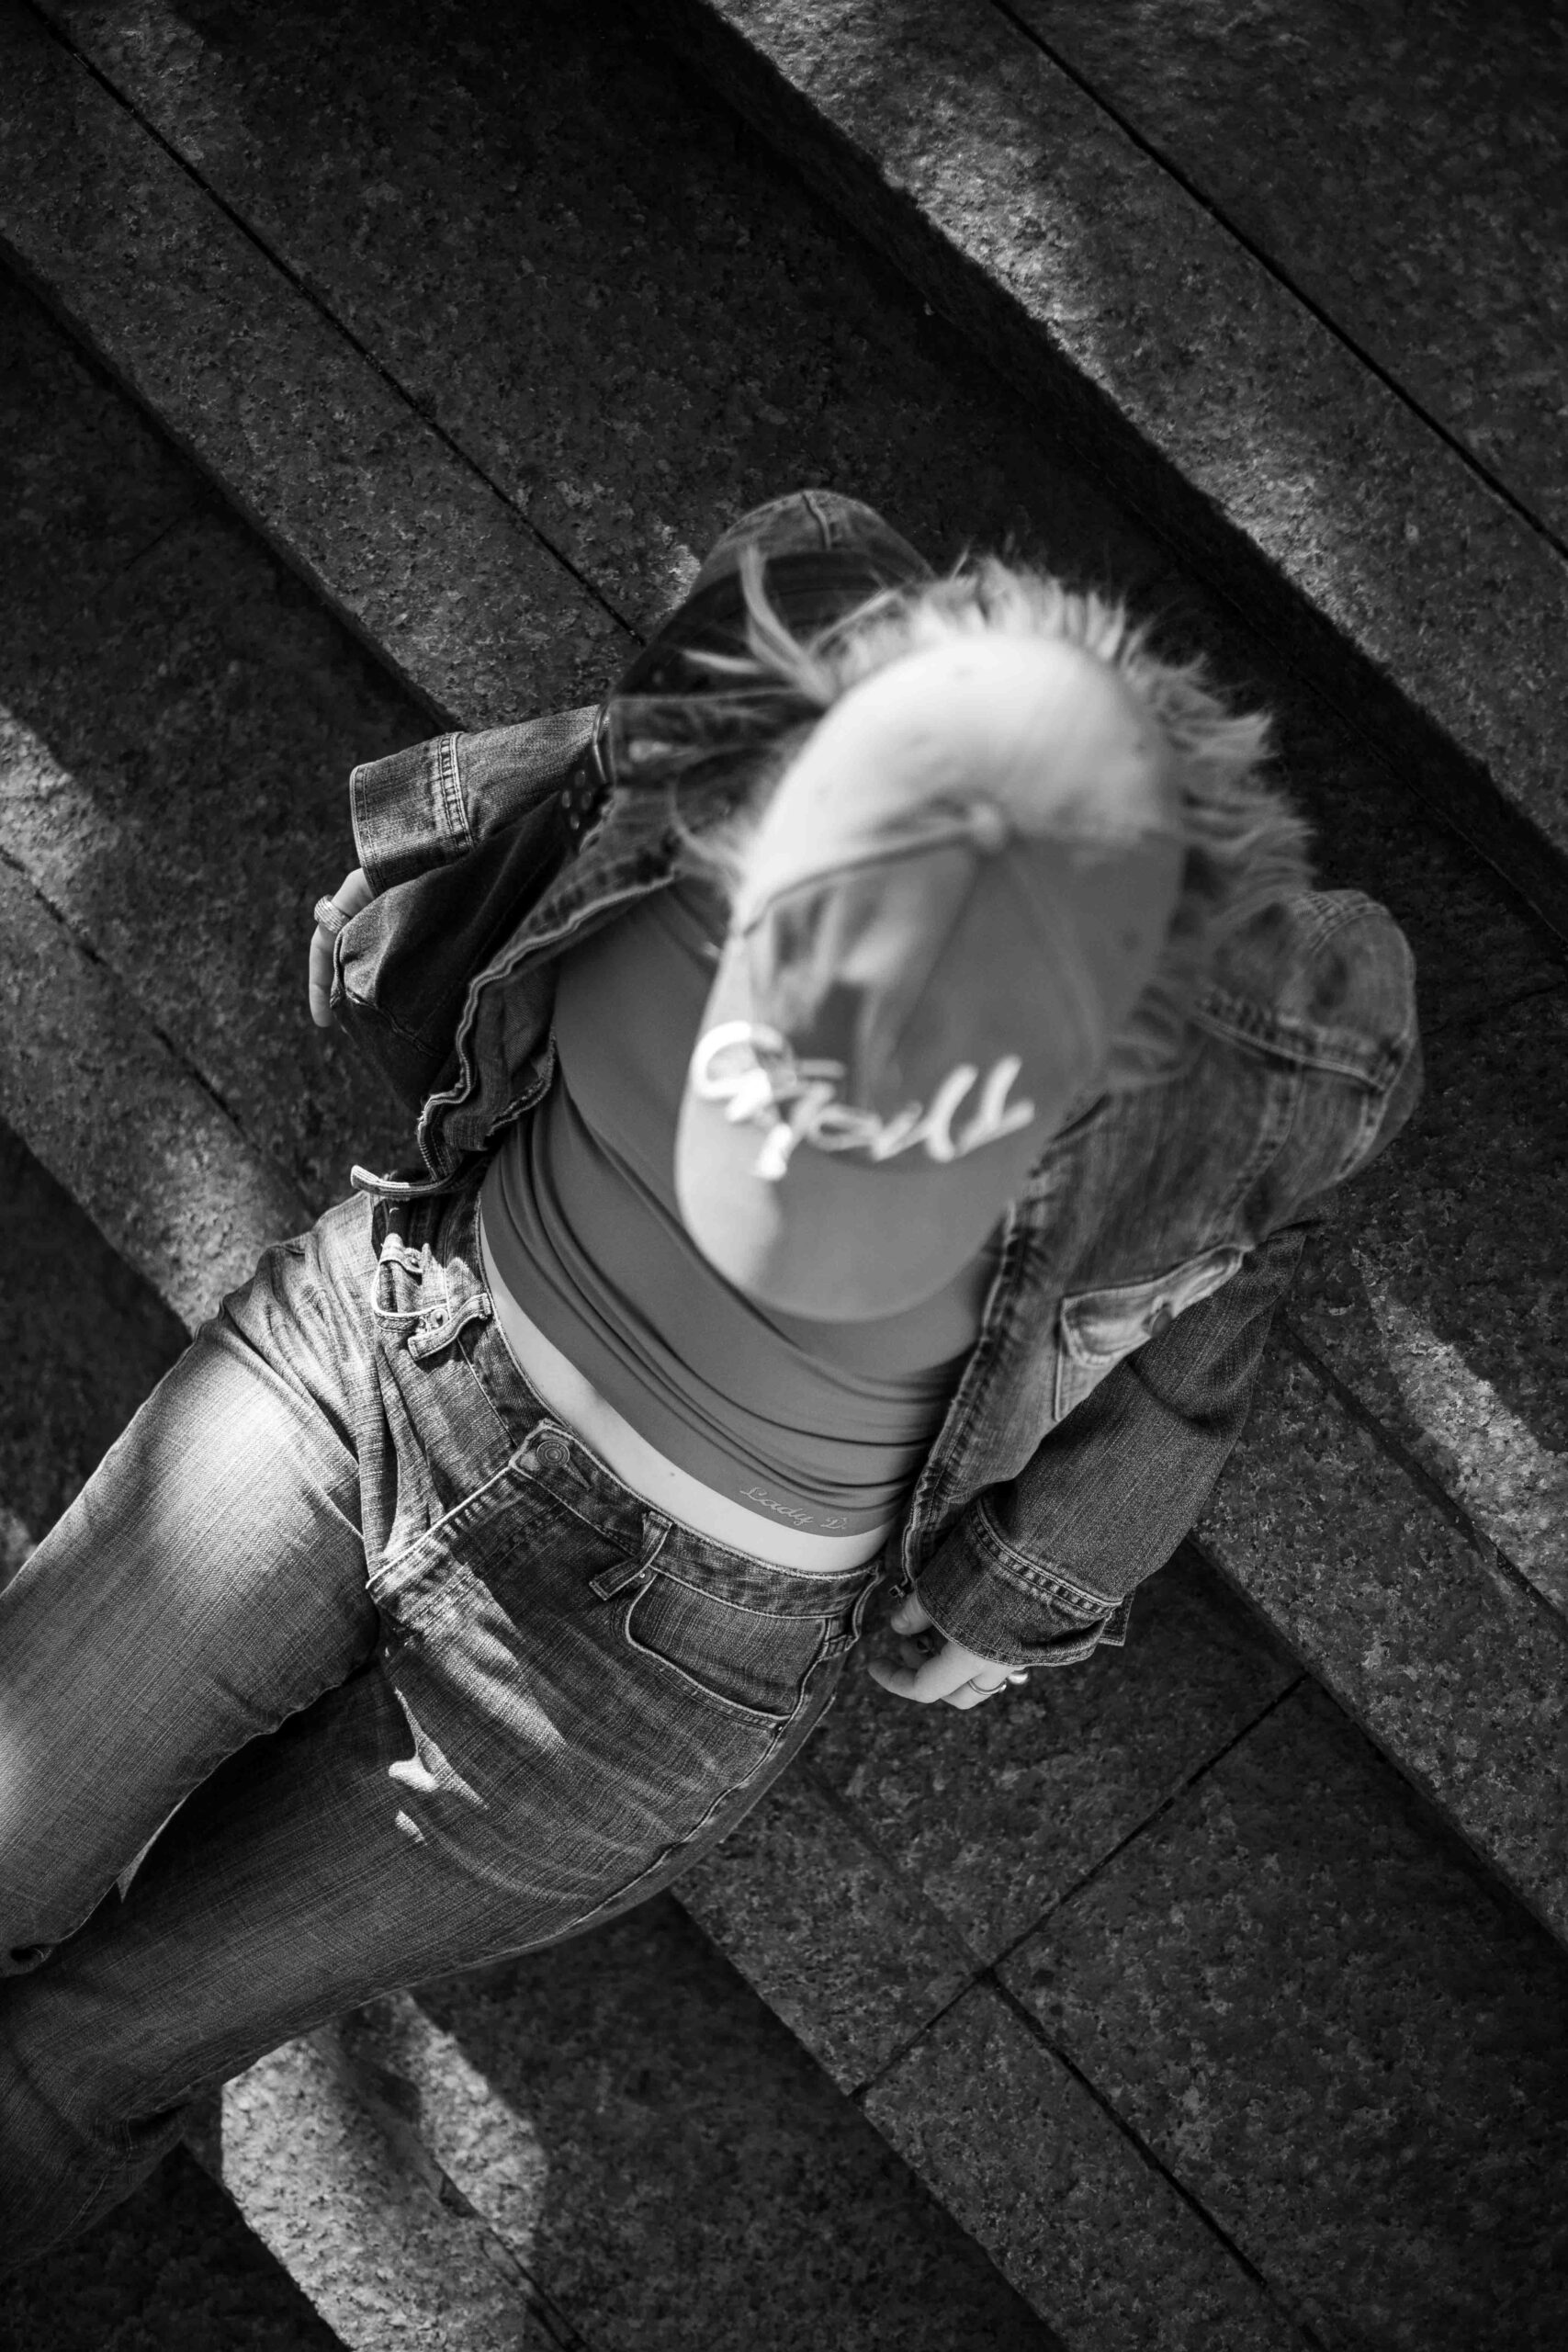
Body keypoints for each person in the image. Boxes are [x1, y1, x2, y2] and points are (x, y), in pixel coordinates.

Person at [0, 492, 1419, 2262]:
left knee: (70, 2065)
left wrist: (1032, 1576)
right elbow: (793, 571)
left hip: (642, 1681)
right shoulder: (769, 699)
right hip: (379, 1352)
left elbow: (1277, 1172)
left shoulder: (1227, 1065)